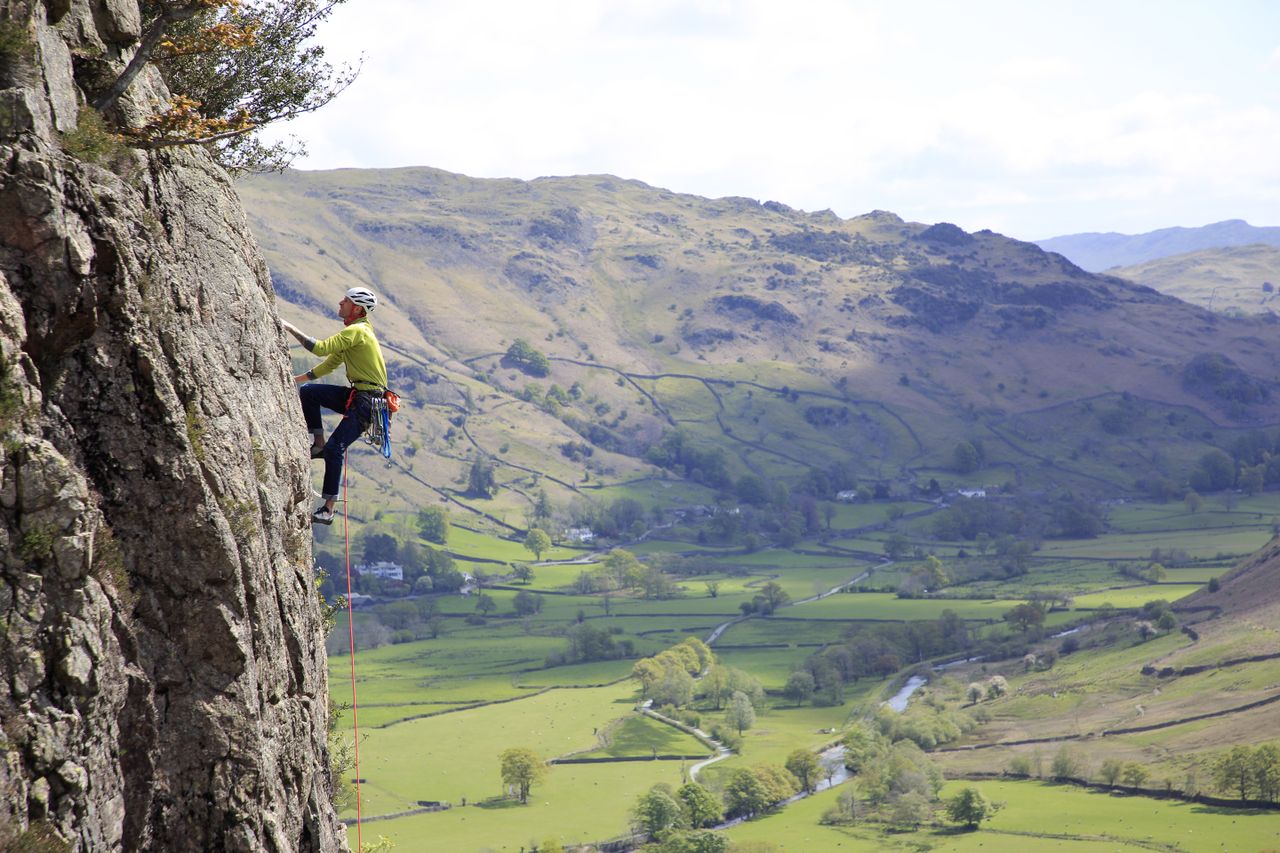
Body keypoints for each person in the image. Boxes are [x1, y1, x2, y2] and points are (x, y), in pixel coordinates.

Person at [281, 286, 388, 525]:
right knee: (309, 393)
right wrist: (294, 381)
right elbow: (329, 365)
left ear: (357, 308)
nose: (340, 303)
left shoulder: (358, 332)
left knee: (335, 448)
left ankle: (328, 509)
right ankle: (317, 445)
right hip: (359, 395)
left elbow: (319, 349)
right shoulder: (356, 334)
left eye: (346, 301)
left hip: (367, 401)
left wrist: (288, 327)